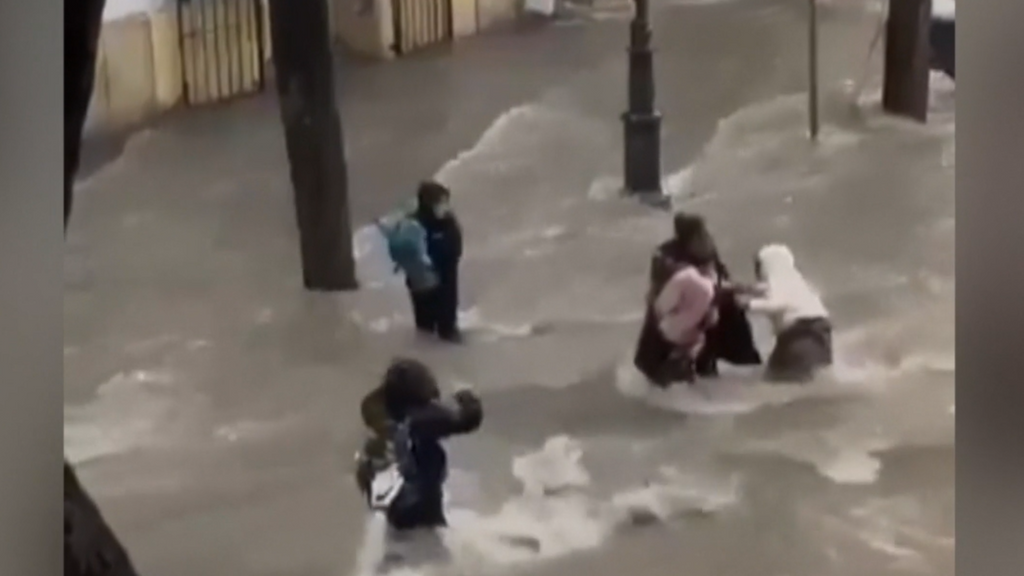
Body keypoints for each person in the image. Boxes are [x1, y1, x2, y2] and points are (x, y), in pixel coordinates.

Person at [633, 213, 761, 387]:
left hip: (707, 312)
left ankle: (744, 367)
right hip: (675, 316)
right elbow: (672, 288)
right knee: (666, 369)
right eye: (702, 236)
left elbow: (722, 278)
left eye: (706, 234)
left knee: (731, 313)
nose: (708, 240)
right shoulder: (666, 258)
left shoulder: (707, 251)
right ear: (689, 240)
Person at [356, 358, 483, 531]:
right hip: (421, 502)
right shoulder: (421, 420)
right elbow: (466, 421)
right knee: (428, 544)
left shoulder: (389, 416)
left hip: (398, 502)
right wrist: (468, 400)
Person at [740, 244, 833, 383]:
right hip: (813, 333)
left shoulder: (780, 282)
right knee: (775, 376)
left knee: (789, 379)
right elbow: (764, 290)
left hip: (802, 335)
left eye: (758, 266)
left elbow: (778, 303)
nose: (757, 272)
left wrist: (748, 305)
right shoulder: (794, 281)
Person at [412, 181, 464, 343]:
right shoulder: (416, 224)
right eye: (441, 202)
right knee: (430, 328)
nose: (445, 206)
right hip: (428, 284)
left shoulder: (447, 221)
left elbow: (456, 248)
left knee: (432, 330)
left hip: (434, 282)